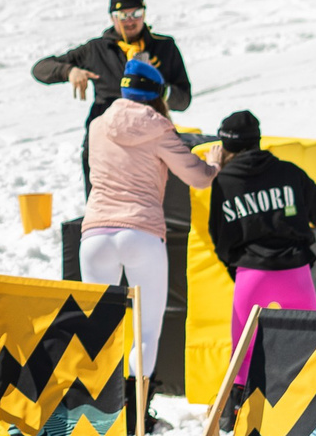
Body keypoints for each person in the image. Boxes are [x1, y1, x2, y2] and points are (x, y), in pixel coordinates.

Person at [82, 58, 217, 387]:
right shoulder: (158, 128)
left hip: (94, 235)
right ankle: (137, 412)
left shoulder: (97, 125)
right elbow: (197, 178)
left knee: (99, 330)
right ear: (157, 95)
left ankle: (102, 407)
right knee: (145, 330)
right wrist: (212, 165)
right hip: (141, 234)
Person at [204, 110, 316, 390]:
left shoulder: (224, 183)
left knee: (243, 354)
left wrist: (238, 268)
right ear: (257, 141)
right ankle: (308, 418)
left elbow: (220, 236)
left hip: (252, 276)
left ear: (225, 146)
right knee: (309, 348)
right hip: (294, 273)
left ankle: (237, 417)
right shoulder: (288, 172)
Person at [31, 0, 194, 192]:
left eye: (135, 13)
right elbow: (40, 69)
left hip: (151, 143)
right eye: (122, 15)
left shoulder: (164, 47)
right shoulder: (97, 49)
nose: (130, 21)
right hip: (106, 144)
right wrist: (69, 71)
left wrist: (158, 91)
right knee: (103, 210)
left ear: (144, 12)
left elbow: (184, 99)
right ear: (112, 17)